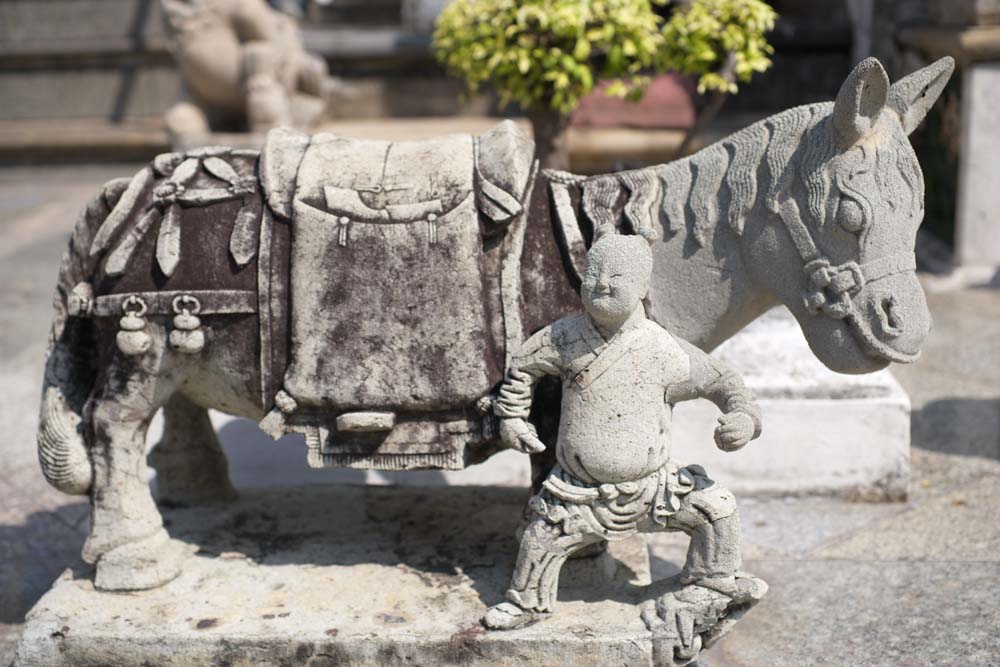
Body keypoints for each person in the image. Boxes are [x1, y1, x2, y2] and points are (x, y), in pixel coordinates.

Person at [483, 231, 763, 632]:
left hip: (653, 489)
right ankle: (527, 603)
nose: (601, 284)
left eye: (616, 276)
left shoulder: (663, 349)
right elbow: (521, 369)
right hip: (576, 493)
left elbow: (726, 384)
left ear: (642, 285)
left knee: (717, 509)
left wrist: (743, 418)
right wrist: (512, 417)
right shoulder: (563, 338)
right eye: (593, 273)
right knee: (537, 541)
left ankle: (708, 584)